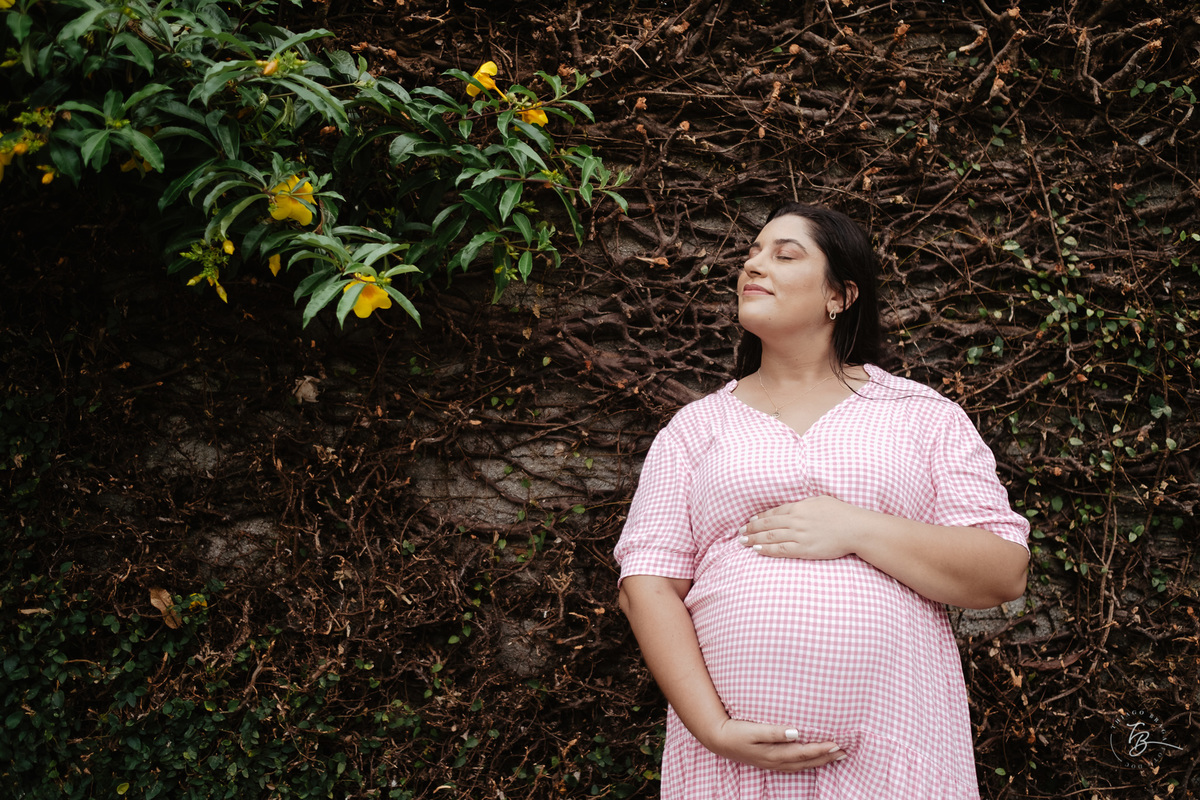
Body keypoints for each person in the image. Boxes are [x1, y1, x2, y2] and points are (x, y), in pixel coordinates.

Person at [614, 203, 1030, 799]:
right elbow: (646, 586)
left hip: (896, 752)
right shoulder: (694, 428)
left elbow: (1004, 569)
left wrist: (854, 527)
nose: (754, 265)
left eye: (785, 255)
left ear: (840, 295)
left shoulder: (921, 416)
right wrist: (715, 729)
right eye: (752, 253)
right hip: (734, 763)